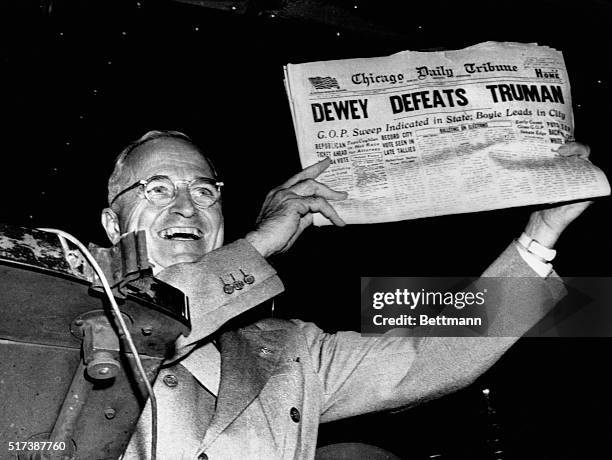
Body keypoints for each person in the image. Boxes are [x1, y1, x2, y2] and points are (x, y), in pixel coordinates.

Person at [101, 130, 591, 459]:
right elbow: (142, 327)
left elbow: (426, 359)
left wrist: (539, 235)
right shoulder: (60, 297)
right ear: (110, 222)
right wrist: (258, 247)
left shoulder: (288, 348)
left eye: (205, 191)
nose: (187, 207)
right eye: (157, 190)